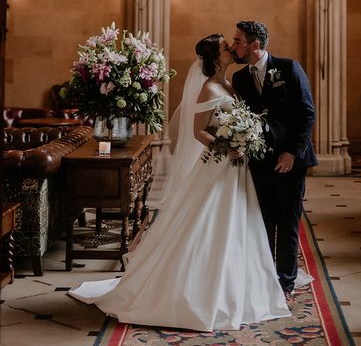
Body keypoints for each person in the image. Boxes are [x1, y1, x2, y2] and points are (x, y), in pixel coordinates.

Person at [69, 34, 291, 331]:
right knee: (209, 222)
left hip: (236, 167)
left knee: (239, 223)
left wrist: (244, 139)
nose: (230, 48)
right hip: (220, 164)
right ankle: (197, 291)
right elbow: (199, 132)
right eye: (226, 47)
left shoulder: (229, 83)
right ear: (215, 58)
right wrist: (226, 146)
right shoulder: (208, 88)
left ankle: (237, 284)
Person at [231, 21, 317, 301]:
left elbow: (307, 113)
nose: (235, 46)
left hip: (292, 161)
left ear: (255, 45)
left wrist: (292, 152)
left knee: (288, 223)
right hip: (259, 163)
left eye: (238, 41)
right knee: (263, 223)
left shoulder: (289, 67)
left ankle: (286, 282)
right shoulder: (241, 78)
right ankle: (265, 277)